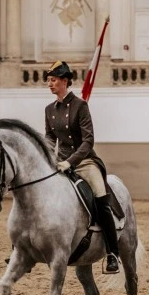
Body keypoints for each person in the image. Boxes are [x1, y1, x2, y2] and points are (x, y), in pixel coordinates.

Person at [45, 59, 120, 273]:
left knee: (100, 198)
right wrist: (48, 157)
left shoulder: (80, 105)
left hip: (84, 162)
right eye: (49, 80)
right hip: (60, 163)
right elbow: (49, 138)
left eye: (53, 80)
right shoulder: (49, 109)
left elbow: (88, 141)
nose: (50, 84)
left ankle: (112, 253)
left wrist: (71, 161)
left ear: (65, 81)